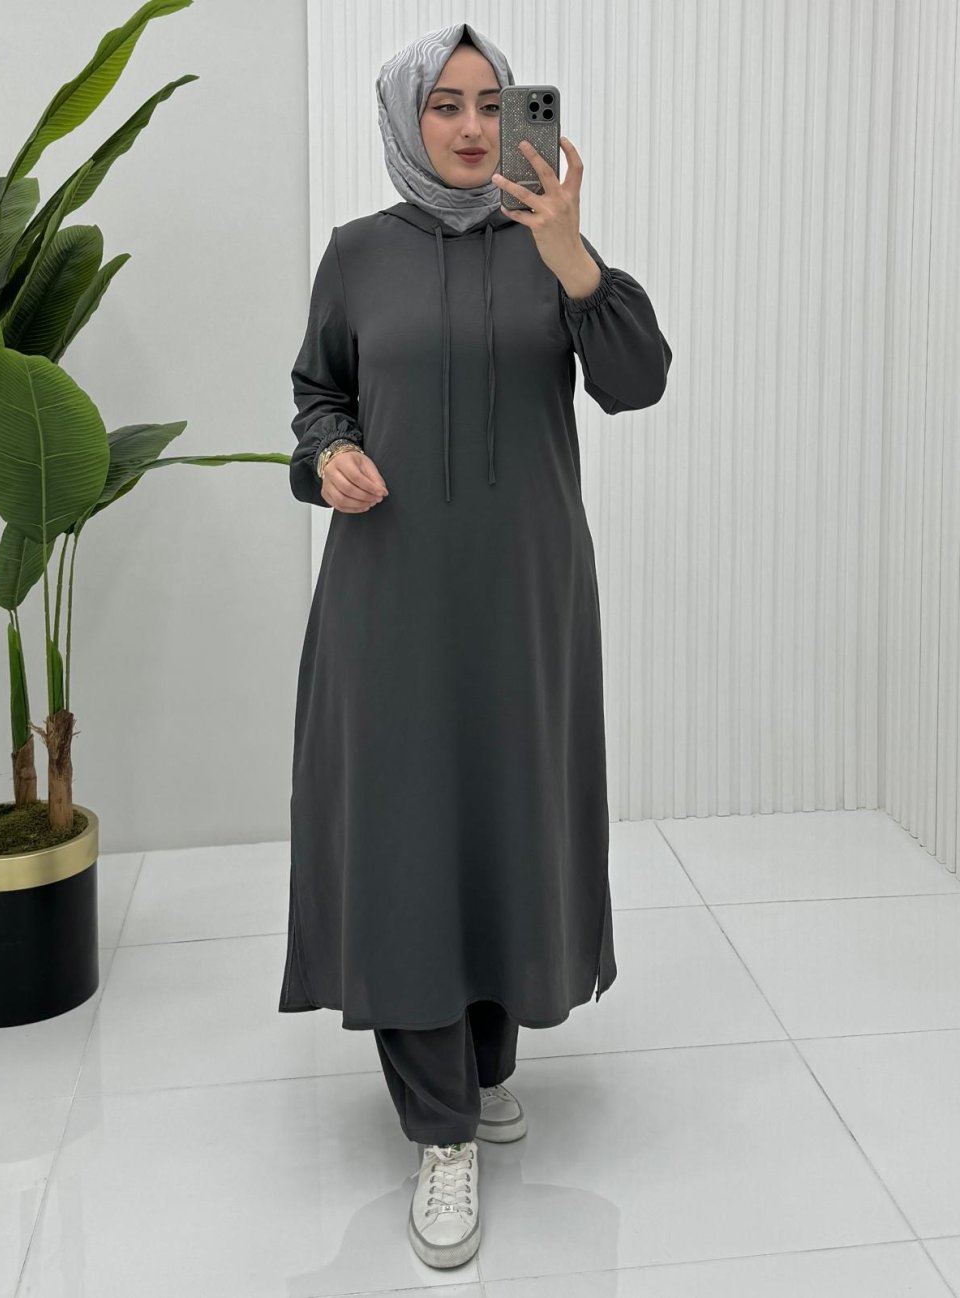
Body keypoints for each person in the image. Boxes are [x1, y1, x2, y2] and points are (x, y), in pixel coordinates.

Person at [278, 21, 672, 1270]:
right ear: (407, 117)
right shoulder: (356, 254)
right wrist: (326, 455)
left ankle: (485, 1058)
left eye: (490, 103)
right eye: (443, 103)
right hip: (390, 594)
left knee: (505, 817)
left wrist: (570, 255)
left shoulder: (551, 247)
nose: (468, 126)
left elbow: (637, 380)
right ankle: (439, 1127)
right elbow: (317, 395)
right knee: (404, 833)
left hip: (525, 594)